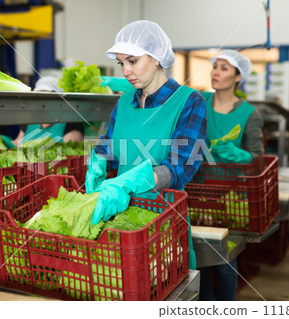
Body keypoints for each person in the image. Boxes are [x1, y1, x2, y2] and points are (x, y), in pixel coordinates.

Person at [85, 20, 207, 270]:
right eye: (121, 63)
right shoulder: (124, 102)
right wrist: (98, 159)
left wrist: (128, 182)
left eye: (133, 61)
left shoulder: (189, 101)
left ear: (157, 58)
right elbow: (110, 145)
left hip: (163, 223)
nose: (126, 71)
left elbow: (180, 166)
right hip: (120, 222)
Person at [199, 49, 264, 301]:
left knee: (226, 263)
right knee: (201, 258)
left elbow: (258, 158)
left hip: (232, 199)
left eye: (224, 68)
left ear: (238, 77)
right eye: (215, 66)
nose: (216, 72)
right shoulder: (200, 101)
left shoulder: (249, 114)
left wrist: (238, 154)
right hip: (199, 192)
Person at [17, 75, 84, 145]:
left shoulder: (71, 123)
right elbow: (17, 143)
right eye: (39, 95)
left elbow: (69, 152)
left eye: (46, 96)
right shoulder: (31, 121)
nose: (42, 101)